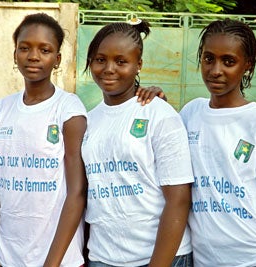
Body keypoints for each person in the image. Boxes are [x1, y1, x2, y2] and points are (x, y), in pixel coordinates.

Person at [179, 18, 256, 266]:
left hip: (253, 257)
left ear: (247, 65)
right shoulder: (190, 114)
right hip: (202, 258)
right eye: (208, 58)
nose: (216, 70)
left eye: (229, 61)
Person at [81, 19, 194, 267]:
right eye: (100, 60)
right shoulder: (88, 120)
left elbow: (179, 199)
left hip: (160, 257)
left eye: (121, 61)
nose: (109, 68)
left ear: (138, 65)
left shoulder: (159, 114)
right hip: (103, 257)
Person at [0, 13, 87, 267]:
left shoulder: (68, 109)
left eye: (45, 49)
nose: (33, 56)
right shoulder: (0, 110)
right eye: (24, 48)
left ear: (57, 59)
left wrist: (52, 263)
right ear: (15, 55)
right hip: (7, 255)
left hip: (56, 258)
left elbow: (77, 193)